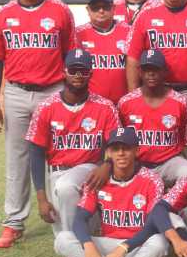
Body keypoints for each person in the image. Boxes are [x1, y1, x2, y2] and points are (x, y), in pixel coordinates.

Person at [0, 0, 75, 248]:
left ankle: (62, 217)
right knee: (18, 158)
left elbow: (70, 56)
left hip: (53, 91)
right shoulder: (2, 15)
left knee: (59, 156)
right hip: (16, 93)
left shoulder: (60, 11)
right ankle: (13, 221)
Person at [52, 127, 168, 257]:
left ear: (137, 150)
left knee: (160, 243)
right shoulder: (98, 180)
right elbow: (80, 218)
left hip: (136, 245)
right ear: (109, 153)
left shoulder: (152, 180)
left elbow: (152, 225)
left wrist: (123, 248)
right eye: (115, 149)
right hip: (107, 244)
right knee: (62, 239)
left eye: (126, 148)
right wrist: (88, 245)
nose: (121, 153)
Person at [26, 48, 119, 241]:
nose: (78, 75)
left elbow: (116, 144)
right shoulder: (46, 108)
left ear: (90, 74)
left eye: (83, 71)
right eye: (73, 70)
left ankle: (77, 249)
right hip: (57, 172)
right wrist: (42, 199)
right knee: (62, 238)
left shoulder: (105, 106)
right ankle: (78, 245)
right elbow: (35, 154)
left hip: (90, 170)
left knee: (67, 188)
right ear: (64, 71)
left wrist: (107, 164)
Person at [118, 49, 187, 187]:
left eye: (156, 69)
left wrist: (179, 157)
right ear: (140, 72)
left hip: (169, 162)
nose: (151, 74)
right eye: (146, 69)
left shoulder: (181, 102)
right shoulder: (125, 102)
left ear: (165, 71)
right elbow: (119, 140)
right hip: (136, 164)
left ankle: (177, 207)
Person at [75, 0, 130, 104]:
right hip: (91, 104)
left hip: (123, 102)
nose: (101, 11)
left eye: (105, 6)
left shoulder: (129, 31)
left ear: (114, 8)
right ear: (88, 10)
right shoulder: (78, 34)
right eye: (95, 7)